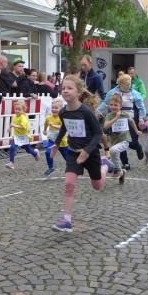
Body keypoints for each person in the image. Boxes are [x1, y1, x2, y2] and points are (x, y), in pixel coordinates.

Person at [51, 75, 109, 232]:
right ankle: (66, 221)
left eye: (69, 88)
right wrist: (57, 143)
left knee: (97, 186)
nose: (65, 91)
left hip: (91, 153)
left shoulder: (86, 112)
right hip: (73, 152)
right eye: (63, 88)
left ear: (79, 92)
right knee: (69, 183)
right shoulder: (63, 112)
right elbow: (64, 127)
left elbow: (98, 133)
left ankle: (105, 166)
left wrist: (87, 151)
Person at [98, 73, 146, 169]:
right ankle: (125, 163)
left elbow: (141, 107)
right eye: (125, 85)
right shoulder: (112, 92)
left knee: (132, 142)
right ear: (120, 84)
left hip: (130, 118)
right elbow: (105, 103)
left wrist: (141, 118)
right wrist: (98, 111)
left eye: (129, 84)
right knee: (119, 141)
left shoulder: (135, 94)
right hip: (117, 119)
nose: (128, 86)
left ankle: (138, 147)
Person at [103, 93, 140, 183]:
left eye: (116, 105)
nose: (113, 107)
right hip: (114, 141)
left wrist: (136, 131)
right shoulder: (109, 116)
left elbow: (131, 121)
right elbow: (106, 126)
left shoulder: (125, 114)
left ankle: (117, 170)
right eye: (111, 104)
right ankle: (121, 172)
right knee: (114, 156)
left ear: (120, 106)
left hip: (125, 140)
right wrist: (116, 118)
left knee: (112, 150)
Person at [5, 99, 40, 169]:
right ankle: (11, 163)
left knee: (28, 150)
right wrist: (9, 127)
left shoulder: (23, 118)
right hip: (16, 136)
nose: (17, 111)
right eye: (16, 109)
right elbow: (12, 123)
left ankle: (36, 153)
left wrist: (13, 125)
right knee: (12, 147)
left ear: (23, 110)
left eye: (19, 109)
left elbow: (23, 127)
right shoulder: (15, 116)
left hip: (24, 136)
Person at [42, 98, 69, 176]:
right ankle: (51, 168)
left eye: (56, 108)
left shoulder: (62, 118)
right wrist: (44, 130)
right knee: (47, 152)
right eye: (52, 108)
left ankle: (73, 167)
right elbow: (46, 124)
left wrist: (53, 125)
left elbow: (63, 127)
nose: (54, 109)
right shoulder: (48, 118)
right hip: (52, 140)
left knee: (67, 157)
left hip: (62, 142)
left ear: (61, 109)